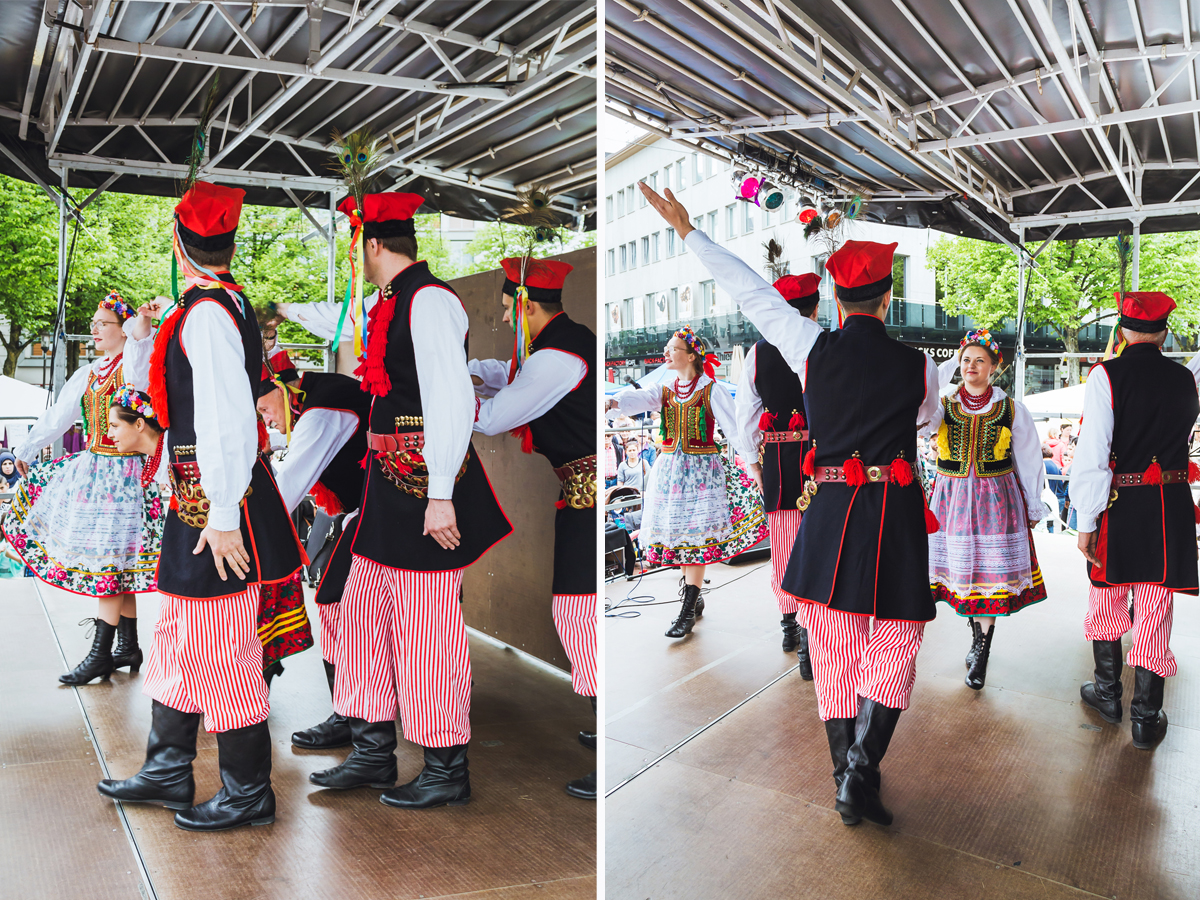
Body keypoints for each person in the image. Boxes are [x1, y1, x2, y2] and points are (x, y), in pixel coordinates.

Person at [640, 180, 939, 828]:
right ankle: (861, 771)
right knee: (898, 640)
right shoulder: (919, 365)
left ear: (835, 297)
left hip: (828, 512)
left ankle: (846, 777)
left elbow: (750, 290)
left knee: (831, 646)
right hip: (894, 517)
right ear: (887, 296)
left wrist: (690, 230)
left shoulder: (807, 344)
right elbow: (927, 420)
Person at [97, 181, 304, 831]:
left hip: (216, 507)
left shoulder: (211, 313)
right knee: (181, 639)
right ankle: (168, 767)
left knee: (221, 647)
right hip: (201, 503)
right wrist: (144, 334)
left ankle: (247, 791)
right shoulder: (212, 307)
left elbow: (226, 422)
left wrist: (220, 515)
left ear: (180, 245)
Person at [309, 192, 511, 810]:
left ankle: (447, 767)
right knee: (358, 612)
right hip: (386, 488)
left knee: (428, 629)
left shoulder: (430, 301)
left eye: (356, 246)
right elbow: (347, 332)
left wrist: (443, 494)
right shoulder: (393, 302)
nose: (357, 258)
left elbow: (451, 399)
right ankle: (373, 752)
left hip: (422, 485)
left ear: (372, 244)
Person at [470, 256, 598, 801]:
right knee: (579, 610)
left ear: (524, 303)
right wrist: (479, 373)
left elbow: (498, 417)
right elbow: (512, 374)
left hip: (588, 497)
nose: (501, 318)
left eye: (505, 306)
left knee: (578, 612)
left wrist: (445, 401)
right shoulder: (563, 344)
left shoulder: (557, 357)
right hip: (580, 493)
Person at [2, 292, 163, 685]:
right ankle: (127, 646)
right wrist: (26, 447)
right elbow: (61, 415)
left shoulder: (135, 366)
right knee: (116, 564)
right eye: (93, 323)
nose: (94, 329)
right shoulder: (91, 372)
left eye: (102, 323)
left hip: (125, 477)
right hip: (97, 473)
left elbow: (143, 356)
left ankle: (100, 655)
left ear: (122, 329)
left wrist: (140, 328)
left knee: (109, 563)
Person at [1071, 291, 1199, 751]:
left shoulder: (1106, 374)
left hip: (1120, 502)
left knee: (1106, 595)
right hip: (1170, 503)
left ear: (1122, 330)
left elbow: (1093, 452)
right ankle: (1146, 717)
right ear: (1164, 331)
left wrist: (1086, 519)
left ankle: (1108, 696)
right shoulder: (1186, 378)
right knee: (1155, 606)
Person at [607, 325, 766, 638]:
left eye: (673, 349)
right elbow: (638, 399)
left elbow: (734, 429)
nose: (667, 354)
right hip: (670, 473)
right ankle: (693, 597)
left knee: (694, 539)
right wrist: (614, 403)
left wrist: (753, 463)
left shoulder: (711, 389)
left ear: (692, 355)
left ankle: (687, 608)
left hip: (702, 475)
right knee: (679, 536)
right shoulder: (665, 389)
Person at [254, 351, 371, 751]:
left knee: (338, 604)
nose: (267, 419)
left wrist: (243, 531)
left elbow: (287, 487)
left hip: (384, 513)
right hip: (372, 512)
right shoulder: (316, 399)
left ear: (283, 390)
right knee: (337, 604)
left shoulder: (322, 413)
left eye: (265, 407)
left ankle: (354, 718)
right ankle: (353, 712)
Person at [925, 330, 1047, 690]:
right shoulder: (943, 404)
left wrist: (1033, 502)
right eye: (965, 360)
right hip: (952, 499)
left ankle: (982, 649)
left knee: (990, 577)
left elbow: (1027, 458)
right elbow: (918, 421)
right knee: (965, 572)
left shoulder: (1010, 408)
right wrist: (942, 371)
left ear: (995, 367)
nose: (970, 366)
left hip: (997, 500)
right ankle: (977, 636)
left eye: (979, 360)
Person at [737, 272, 821, 668]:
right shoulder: (826, 344)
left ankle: (790, 621)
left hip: (780, 461)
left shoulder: (758, 352)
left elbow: (746, 413)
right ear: (815, 307)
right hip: (826, 459)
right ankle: (809, 630)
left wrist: (753, 461)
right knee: (820, 540)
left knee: (785, 542)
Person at [1043, 445, 1064, 533]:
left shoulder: (1042, 465)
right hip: (1055, 497)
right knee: (1051, 523)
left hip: (1045, 498)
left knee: (1045, 524)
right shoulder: (1056, 466)